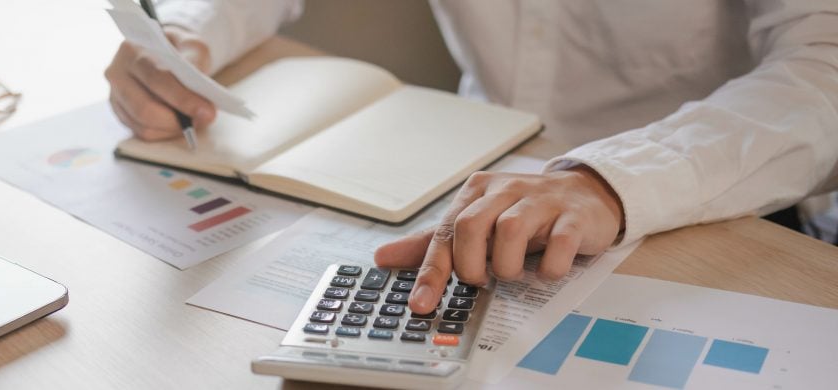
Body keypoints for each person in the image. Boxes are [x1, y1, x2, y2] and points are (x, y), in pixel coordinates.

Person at [104, 1, 838, 314]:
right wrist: (184, 36)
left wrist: (609, 182)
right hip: (470, 177)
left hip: (718, 198)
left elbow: (824, 63)